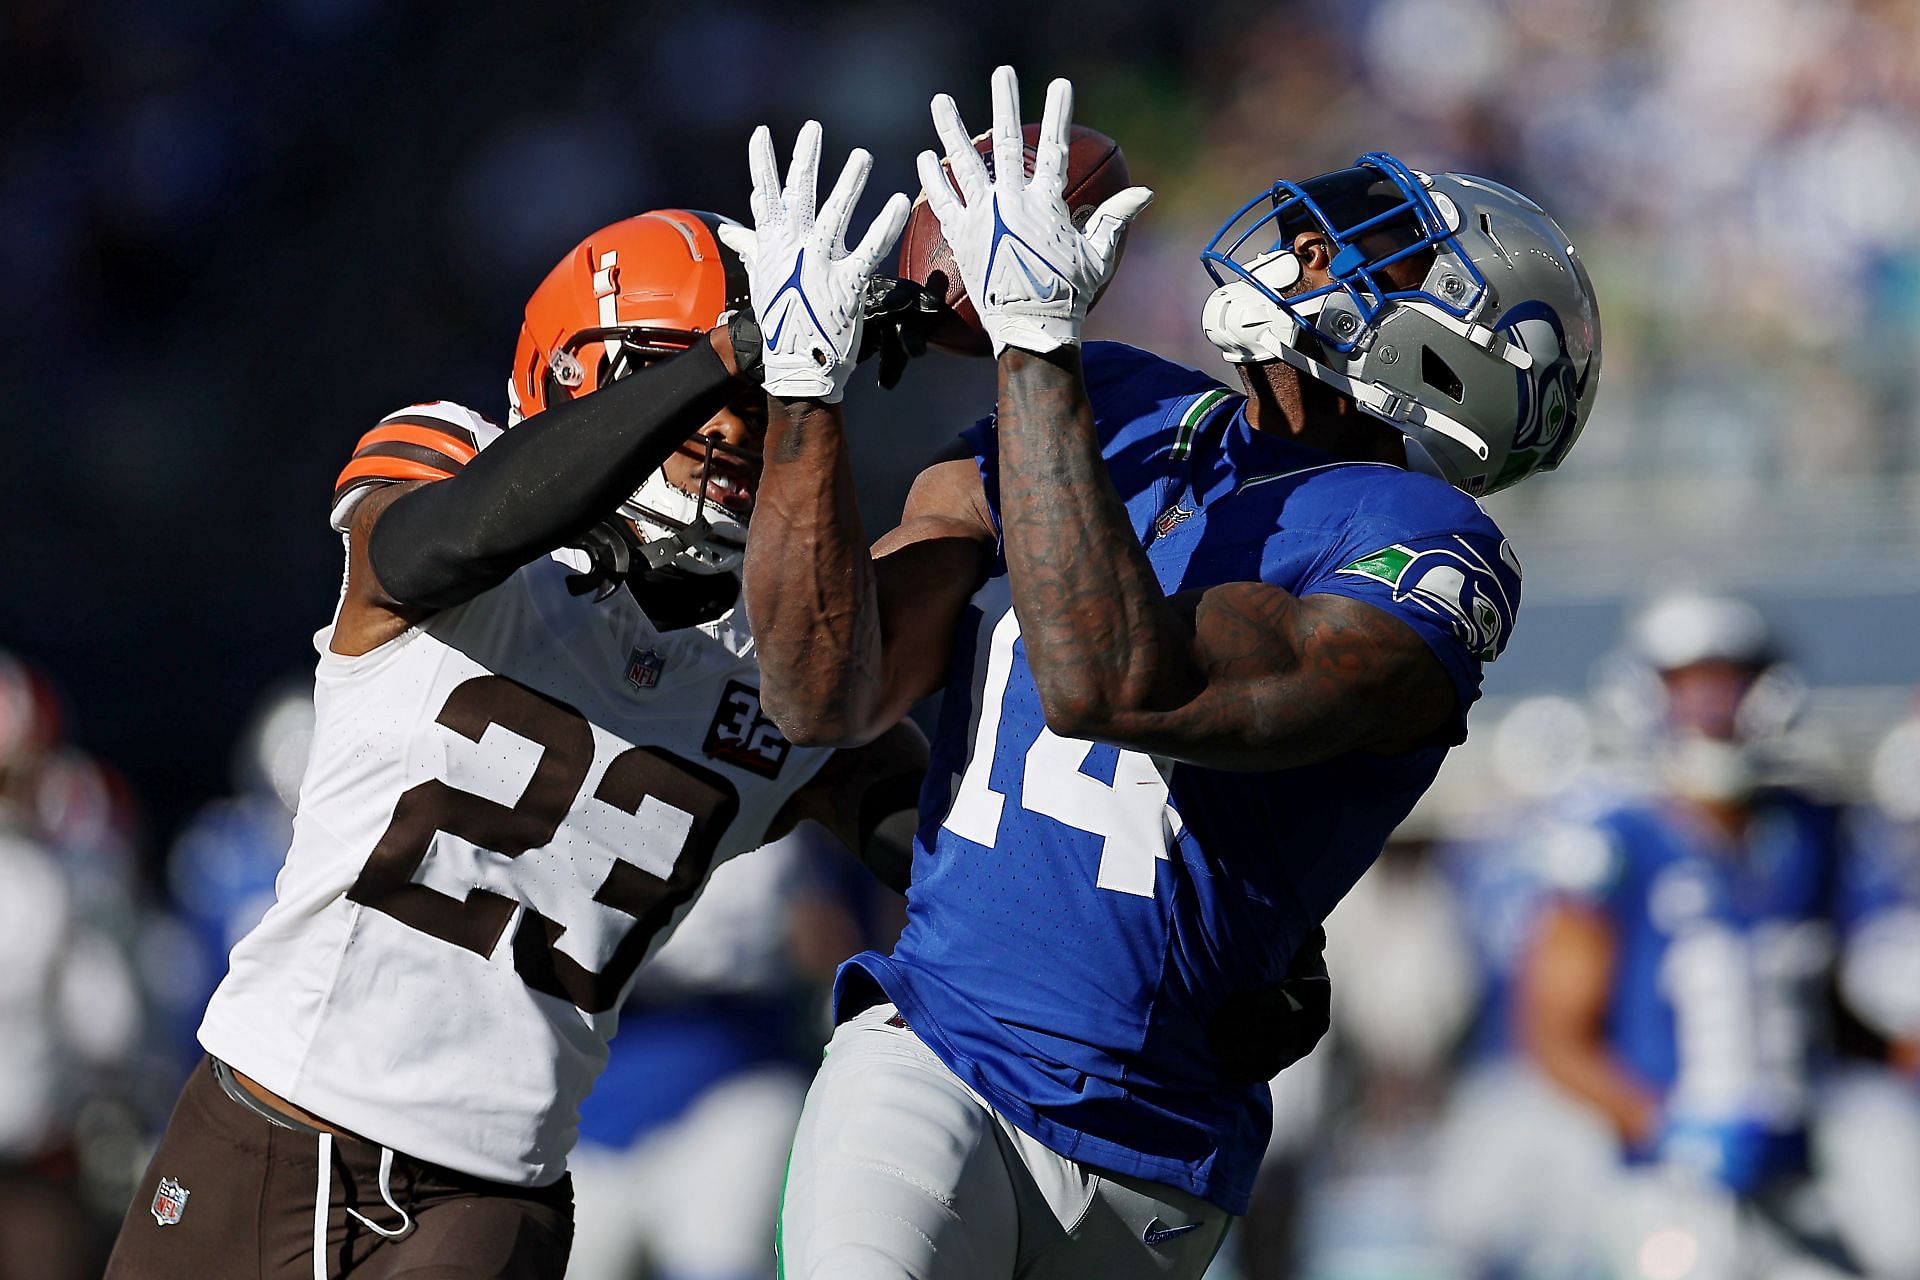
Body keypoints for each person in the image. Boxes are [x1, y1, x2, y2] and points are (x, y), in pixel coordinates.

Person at [721, 66, 1600, 1279]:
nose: (1304, 243)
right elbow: (821, 690)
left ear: (1455, 358)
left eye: (1377, 256)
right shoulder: (1126, 403)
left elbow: (1122, 686)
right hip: (939, 1044)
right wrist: (803, 393)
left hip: (1156, 1142)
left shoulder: (1425, 545)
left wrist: (1034, 348)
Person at [105, 208, 928, 1280]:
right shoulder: (453, 466)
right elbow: (437, 543)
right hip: (269, 1121)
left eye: (761, 401)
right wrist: (731, 348)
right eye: (682, 379)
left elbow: (978, 855)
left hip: (494, 1188)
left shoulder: (785, 674)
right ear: (572, 366)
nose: (729, 427)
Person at [1519, 592, 1890, 1279]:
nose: (1712, 704)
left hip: (1797, 1172)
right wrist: (1663, 1124)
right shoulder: (1613, 839)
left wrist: (1895, 1050)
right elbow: (1555, 1037)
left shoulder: (1812, 828)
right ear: (1642, 692)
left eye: (1729, 679)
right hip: (1668, 1183)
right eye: (1689, 683)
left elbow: (1823, 1007)